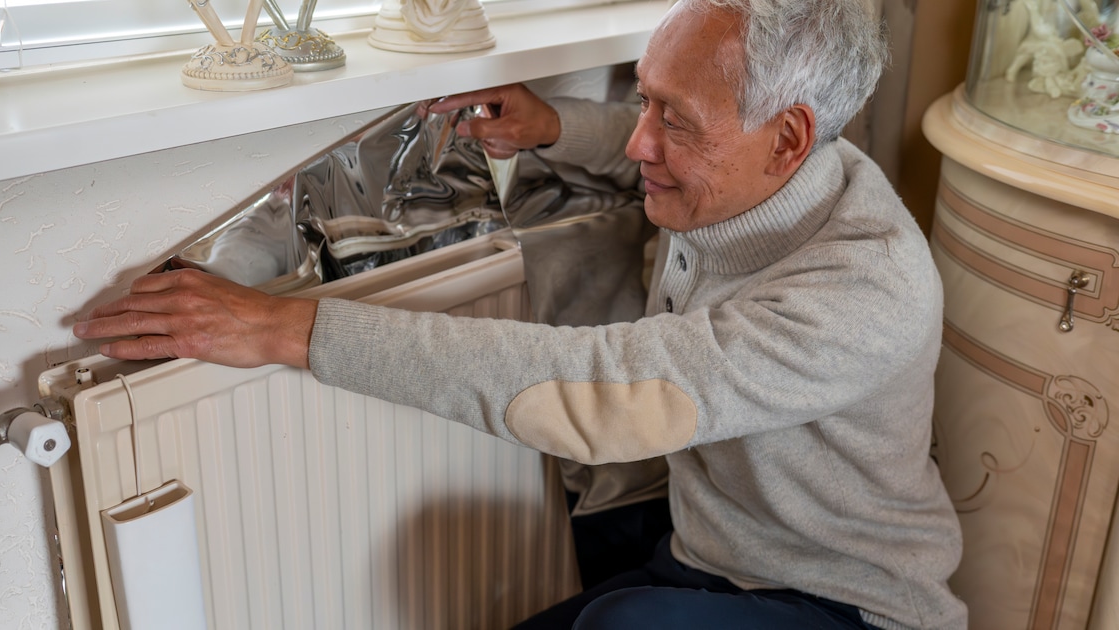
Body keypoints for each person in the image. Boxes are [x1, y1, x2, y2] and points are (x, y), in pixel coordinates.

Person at [73, 0, 969, 627]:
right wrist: (552, 127)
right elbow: (649, 166)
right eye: (644, 98)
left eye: (674, 119)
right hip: (704, 549)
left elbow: (615, 394)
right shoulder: (759, 178)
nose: (639, 140)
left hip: (839, 604)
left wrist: (285, 329)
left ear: (789, 137)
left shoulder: (864, 291)